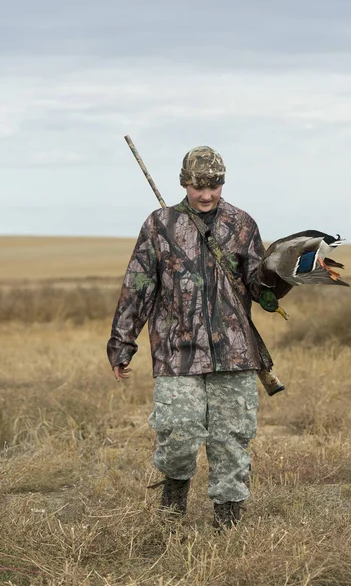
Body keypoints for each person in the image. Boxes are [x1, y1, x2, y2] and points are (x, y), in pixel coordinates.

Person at [107, 146, 291, 530]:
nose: (206, 194)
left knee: (231, 439)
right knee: (178, 431)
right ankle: (173, 497)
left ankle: (228, 521)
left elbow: (260, 288)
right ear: (183, 183)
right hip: (178, 353)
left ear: (223, 183)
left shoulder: (242, 224)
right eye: (197, 186)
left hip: (235, 353)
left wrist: (284, 275)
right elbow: (138, 285)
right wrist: (122, 343)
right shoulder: (160, 225)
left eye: (214, 186)